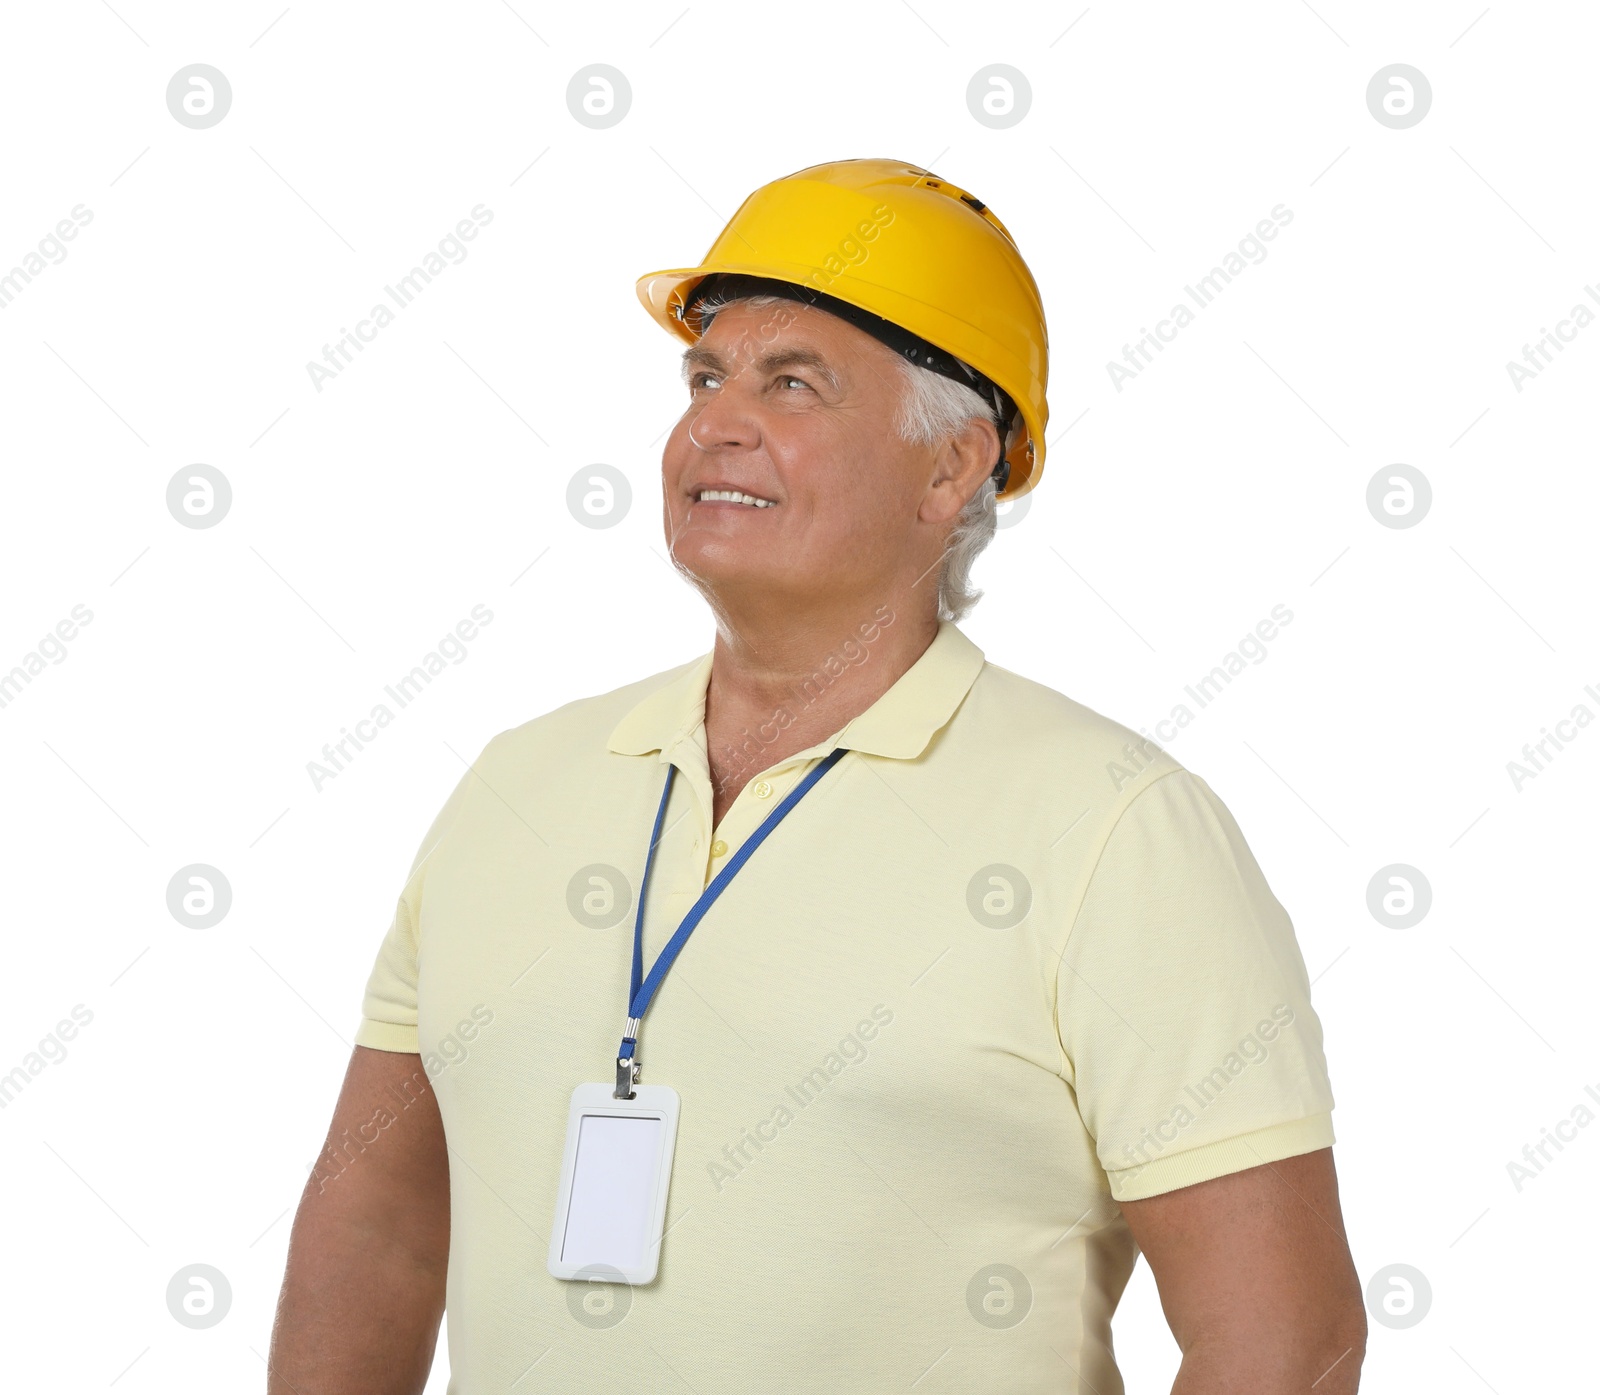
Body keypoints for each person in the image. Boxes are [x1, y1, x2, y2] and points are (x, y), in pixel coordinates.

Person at [268, 157, 1365, 1394]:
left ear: (952, 468)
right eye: (704, 376)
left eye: (792, 383)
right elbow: (376, 1236)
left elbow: (1285, 1341)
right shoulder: (517, 786)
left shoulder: (1115, 830)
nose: (713, 423)